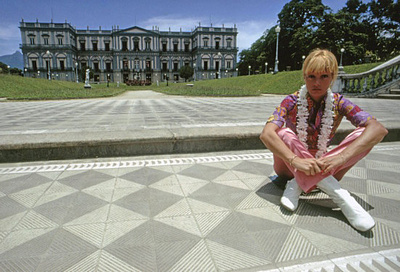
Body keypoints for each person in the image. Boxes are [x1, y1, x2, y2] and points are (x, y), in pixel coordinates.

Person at [259, 48, 388, 232]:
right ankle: (340, 195)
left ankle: (297, 184)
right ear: (304, 77)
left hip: (326, 164)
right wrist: (296, 161)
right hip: (289, 167)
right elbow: (266, 134)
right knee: (283, 133)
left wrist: (341, 158)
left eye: (324, 76)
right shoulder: (291, 100)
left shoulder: (339, 102)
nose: (317, 83)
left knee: (364, 134)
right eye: (311, 76)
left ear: (333, 77)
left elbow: (379, 129)